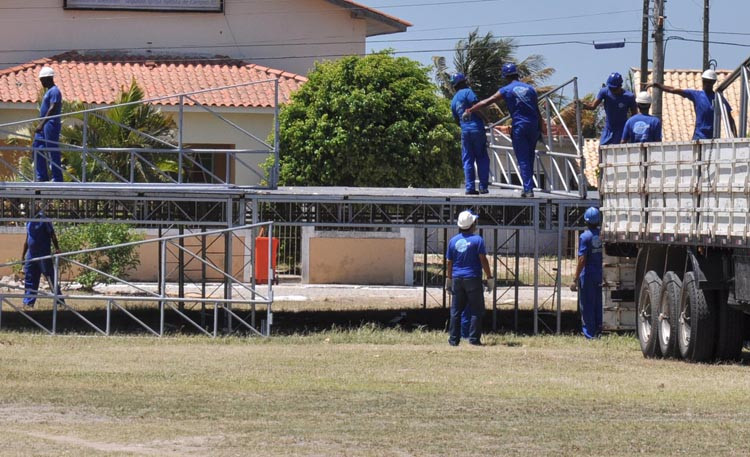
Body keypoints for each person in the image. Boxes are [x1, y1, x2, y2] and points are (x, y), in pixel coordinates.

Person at [465, 63, 542, 197]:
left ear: (505, 77)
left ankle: (528, 189)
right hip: (534, 125)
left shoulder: (506, 90)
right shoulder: (531, 89)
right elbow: (538, 111)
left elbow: (488, 101)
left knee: (523, 157)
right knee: (530, 157)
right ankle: (528, 186)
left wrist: (471, 109)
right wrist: (541, 129)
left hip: (520, 126)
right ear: (517, 74)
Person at [445, 210, 494, 346]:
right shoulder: (478, 240)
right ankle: (474, 339)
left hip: (457, 278)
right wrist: (489, 277)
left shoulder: (453, 241)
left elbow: (449, 262)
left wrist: (449, 279)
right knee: (476, 310)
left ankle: (453, 340)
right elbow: (483, 259)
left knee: (455, 311)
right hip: (473, 278)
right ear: (472, 224)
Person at [649, 69, 736, 139]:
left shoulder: (719, 99)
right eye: (704, 81)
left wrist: (736, 138)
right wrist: (657, 85)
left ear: (713, 82)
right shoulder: (696, 95)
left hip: (713, 137)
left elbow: (730, 119)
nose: (705, 84)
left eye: (708, 82)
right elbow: (674, 90)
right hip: (699, 136)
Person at [450, 73, 490, 195]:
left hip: (465, 131)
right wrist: (486, 119)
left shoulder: (454, 100)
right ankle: (483, 187)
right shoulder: (468, 92)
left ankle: (470, 188)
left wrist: (464, 126)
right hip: (477, 129)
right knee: (482, 157)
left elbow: (456, 119)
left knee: (467, 159)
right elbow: (475, 107)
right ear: (463, 82)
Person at [570, 207, 603, 339]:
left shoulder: (584, 237)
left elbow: (582, 259)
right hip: (601, 273)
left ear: (586, 221)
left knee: (587, 304)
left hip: (588, 274)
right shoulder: (602, 235)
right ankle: (600, 330)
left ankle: (589, 333)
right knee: (599, 303)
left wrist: (575, 277)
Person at [582, 72, 637, 147]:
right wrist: (582, 106)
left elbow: (634, 116)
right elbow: (593, 106)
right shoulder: (604, 92)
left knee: (619, 151)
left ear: (620, 86)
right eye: (610, 88)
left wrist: (630, 132)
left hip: (622, 129)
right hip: (608, 129)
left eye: (614, 89)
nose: (612, 90)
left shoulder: (629, 96)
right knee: (602, 149)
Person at [21, 214, 62, 307]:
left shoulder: (45, 220)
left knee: (50, 278)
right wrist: (23, 255)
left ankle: (59, 301)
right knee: (30, 278)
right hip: (31, 255)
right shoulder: (29, 221)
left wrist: (57, 248)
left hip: (43, 253)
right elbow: (27, 239)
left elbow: (52, 234)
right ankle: (28, 302)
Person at [33, 66, 64, 182]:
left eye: (42, 80)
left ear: (48, 79)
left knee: (52, 149)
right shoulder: (49, 91)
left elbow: (53, 107)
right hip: (44, 124)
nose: (41, 83)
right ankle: (41, 176)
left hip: (50, 123)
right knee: (37, 147)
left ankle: (57, 177)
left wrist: (42, 123)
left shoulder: (55, 91)